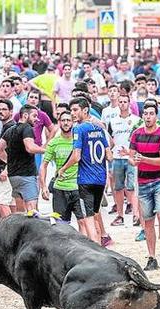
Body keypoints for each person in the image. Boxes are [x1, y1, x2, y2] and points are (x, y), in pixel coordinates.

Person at [58, 97, 111, 244]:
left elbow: (76, 156)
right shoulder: (99, 128)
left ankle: (95, 253)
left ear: (85, 110)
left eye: (75, 110)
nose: (73, 114)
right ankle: (101, 247)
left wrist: (63, 169)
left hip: (86, 179)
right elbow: (109, 155)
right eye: (71, 110)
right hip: (101, 179)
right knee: (95, 216)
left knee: (88, 221)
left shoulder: (79, 128)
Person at [129, 101, 160, 270]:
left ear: (156, 116)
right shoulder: (136, 134)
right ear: (142, 116)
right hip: (144, 181)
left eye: (151, 114)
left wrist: (143, 159)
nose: (148, 117)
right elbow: (131, 158)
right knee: (147, 220)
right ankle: (152, 256)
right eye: (145, 114)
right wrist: (134, 160)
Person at [0, 104, 45, 212]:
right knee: (32, 211)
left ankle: (21, 229)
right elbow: (30, 148)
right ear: (25, 115)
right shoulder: (27, 128)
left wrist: (10, 161)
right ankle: (30, 229)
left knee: (20, 211)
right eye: (34, 116)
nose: (37, 119)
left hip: (14, 177)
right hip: (26, 175)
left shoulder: (10, 130)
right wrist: (47, 150)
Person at [39, 111, 85, 228]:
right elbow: (44, 165)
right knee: (61, 225)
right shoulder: (53, 143)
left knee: (83, 222)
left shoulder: (80, 141)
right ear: (59, 123)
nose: (66, 123)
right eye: (63, 120)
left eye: (68, 120)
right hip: (60, 189)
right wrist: (43, 186)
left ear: (73, 122)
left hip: (79, 187)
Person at [109, 94, 141, 226]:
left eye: (125, 102)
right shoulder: (113, 121)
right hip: (117, 157)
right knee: (118, 187)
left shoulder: (136, 120)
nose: (122, 104)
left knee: (132, 187)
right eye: (120, 102)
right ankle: (120, 215)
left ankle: (136, 215)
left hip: (131, 157)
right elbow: (110, 137)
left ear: (129, 103)